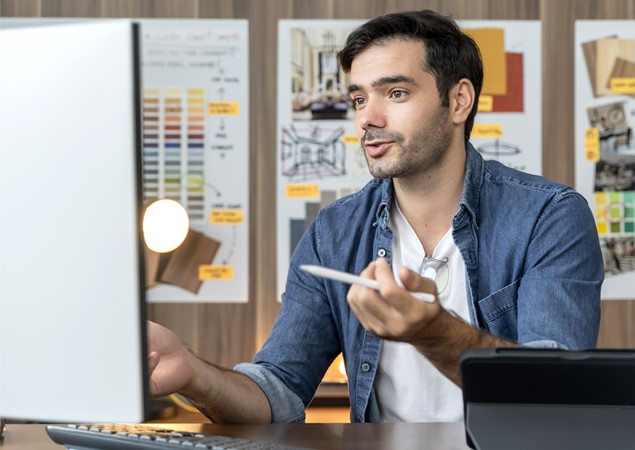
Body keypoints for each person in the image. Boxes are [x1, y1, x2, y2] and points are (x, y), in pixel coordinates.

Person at [147, 9, 603, 424]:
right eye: (360, 99)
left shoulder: (549, 216)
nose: (368, 117)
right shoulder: (334, 232)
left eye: (396, 92)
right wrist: (193, 374)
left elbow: (556, 394)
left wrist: (434, 331)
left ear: (459, 100)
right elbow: (278, 393)